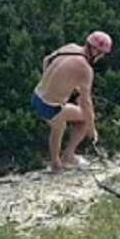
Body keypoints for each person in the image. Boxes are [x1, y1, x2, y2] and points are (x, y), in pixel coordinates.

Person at [30, 31, 113, 173]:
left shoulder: (70, 47)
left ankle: (56, 163)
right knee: (84, 120)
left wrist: (51, 82)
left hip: (36, 96)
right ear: (95, 51)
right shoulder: (85, 70)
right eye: (102, 53)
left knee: (59, 126)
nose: (102, 57)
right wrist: (92, 130)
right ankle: (66, 157)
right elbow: (86, 103)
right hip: (51, 107)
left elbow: (46, 60)